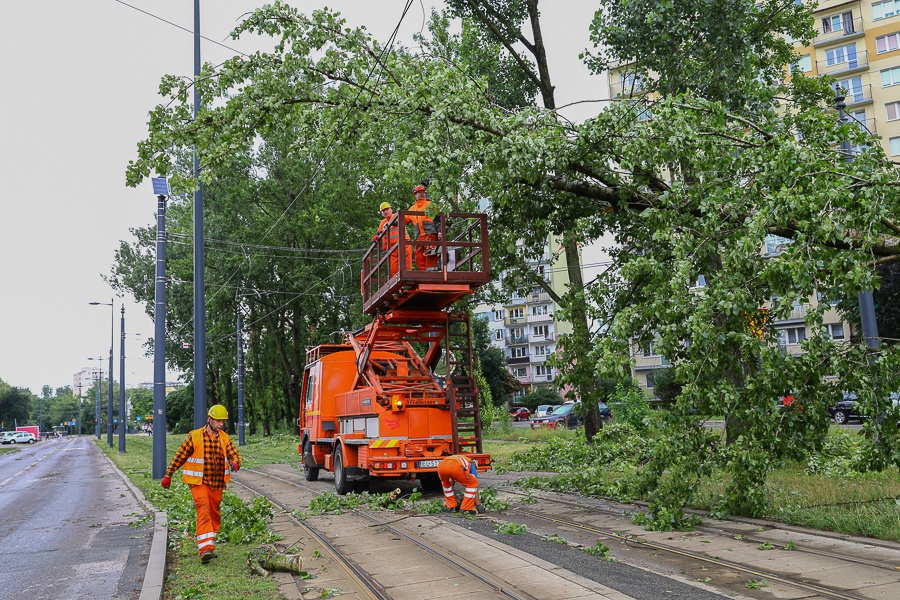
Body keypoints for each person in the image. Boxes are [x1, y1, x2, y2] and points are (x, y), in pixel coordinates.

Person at [161, 405, 242, 563]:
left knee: (214, 514)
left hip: (217, 484)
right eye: (218, 421)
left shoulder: (224, 438)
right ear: (209, 419)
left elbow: (234, 454)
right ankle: (205, 549)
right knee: (203, 510)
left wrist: (236, 462)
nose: (220, 424)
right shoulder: (195, 437)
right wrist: (168, 475)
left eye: (223, 421)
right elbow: (180, 456)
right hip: (198, 483)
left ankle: (209, 545)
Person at [404, 184, 439, 271]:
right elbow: (403, 220)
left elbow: (438, 219)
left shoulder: (430, 204)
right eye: (420, 193)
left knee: (430, 253)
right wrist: (390, 223)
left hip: (430, 234)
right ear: (415, 195)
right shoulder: (412, 209)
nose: (422, 194)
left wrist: (440, 232)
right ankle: (423, 276)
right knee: (419, 257)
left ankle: (432, 275)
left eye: (423, 192)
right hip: (419, 237)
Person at [373, 201, 412, 277]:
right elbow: (379, 233)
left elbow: (404, 221)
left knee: (406, 265)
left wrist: (392, 223)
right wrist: (376, 237)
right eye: (383, 210)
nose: (385, 211)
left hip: (404, 244)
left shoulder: (397, 216)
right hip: (392, 248)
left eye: (387, 209)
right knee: (393, 269)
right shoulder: (382, 223)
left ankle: (408, 279)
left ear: (391, 209)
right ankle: (397, 284)